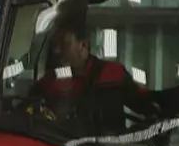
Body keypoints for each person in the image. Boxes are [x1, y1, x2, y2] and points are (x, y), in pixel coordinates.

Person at [30, 11, 158, 134]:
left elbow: (145, 105)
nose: (57, 50)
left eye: (65, 44)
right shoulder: (49, 82)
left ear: (84, 45)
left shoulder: (113, 74)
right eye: (55, 45)